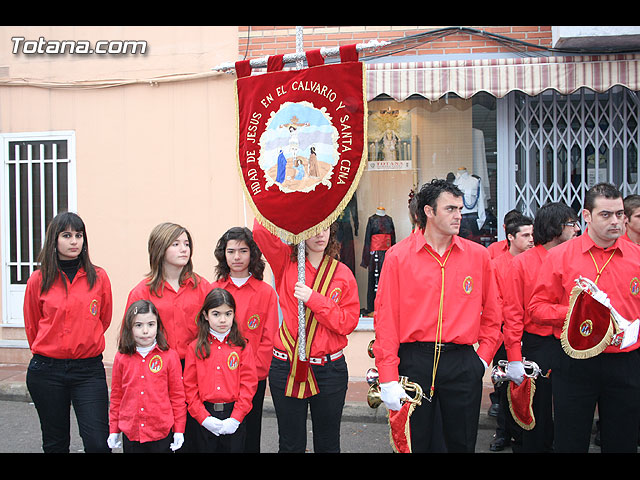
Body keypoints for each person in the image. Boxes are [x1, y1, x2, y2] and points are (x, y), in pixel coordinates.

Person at [373, 178, 503, 453]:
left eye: (459, 208)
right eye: (450, 209)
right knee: (417, 442)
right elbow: (386, 320)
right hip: (415, 361)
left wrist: (481, 360)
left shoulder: (478, 257)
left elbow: (493, 313)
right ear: (429, 212)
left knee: (462, 442)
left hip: (462, 362)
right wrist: (388, 376)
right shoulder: (398, 257)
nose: (458, 215)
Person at [528, 183, 640, 453]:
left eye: (620, 213)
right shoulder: (560, 256)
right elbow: (536, 308)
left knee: (623, 441)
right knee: (570, 440)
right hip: (575, 360)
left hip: (625, 360)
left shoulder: (636, 257)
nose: (616, 221)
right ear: (586, 216)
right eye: (606, 214)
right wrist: (580, 315)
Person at [253, 217, 360, 453]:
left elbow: (347, 323)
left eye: (324, 228)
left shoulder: (342, 274)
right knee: (290, 444)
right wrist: (291, 199)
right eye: (312, 228)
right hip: (287, 365)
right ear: (300, 233)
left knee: (328, 443)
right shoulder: (286, 263)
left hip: (329, 370)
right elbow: (261, 230)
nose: (319, 234)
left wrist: (314, 299)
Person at [23, 211, 112, 453]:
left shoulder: (99, 277)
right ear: (54, 239)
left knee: (98, 443)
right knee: (55, 443)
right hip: (47, 372)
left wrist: (82, 339)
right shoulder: (38, 279)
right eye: (67, 235)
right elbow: (32, 325)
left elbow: (103, 319)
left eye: (79, 235)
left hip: (88, 371)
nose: (74, 241)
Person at [124, 222, 211, 451]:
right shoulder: (141, 292)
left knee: (194, 436)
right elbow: (129, 339)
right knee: (163, 437)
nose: (184, 249)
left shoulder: (202, 286)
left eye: (187, 244)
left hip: (195, 370)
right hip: (157, 372)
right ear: (160, 248)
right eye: (176, 244)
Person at [501, 202, 579, 453]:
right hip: (538, 345)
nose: (577, 229)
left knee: (571, 410)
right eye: (571, 224)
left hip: (573, 343)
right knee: (536, 413)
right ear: (555, 227)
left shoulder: (577, 258)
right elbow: (512, 313)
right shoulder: (522, 263)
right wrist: (514, 358)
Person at [210, 227, 278, 453]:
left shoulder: (265, 292)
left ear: (253, 254)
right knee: (218, 435)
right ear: (223, 254)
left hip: (252, 378)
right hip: (218, 376)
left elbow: (269, 337)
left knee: (249, 433)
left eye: (243, 251)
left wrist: (254, 374)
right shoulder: (214, 290)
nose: (237, 257)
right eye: (231, 251)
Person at [182, 288, 258, 453]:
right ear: (205, 315)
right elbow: (189, 386)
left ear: (233, 315)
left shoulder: (242, 346)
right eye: (216, 314)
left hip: (234, 415)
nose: (222, 320)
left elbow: (249, 384)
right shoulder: (195, 348)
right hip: (204, 416)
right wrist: (203, 418)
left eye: (228, 314)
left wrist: (236, 419)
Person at [108, 300, 186, 453]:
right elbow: (117, 396)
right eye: (138, 325)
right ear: (129, 328)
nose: (145, 331)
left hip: (161, 432)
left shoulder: (170, 357)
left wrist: (179, 430)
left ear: (158, 326)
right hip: (132, 432)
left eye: (151, 325)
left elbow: (177, 396)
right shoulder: (121, 358)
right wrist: (114, 429)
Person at [488, 214, 534, 451]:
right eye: (525, 235)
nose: (530, 240)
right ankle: (504, 432)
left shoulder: (537, 261)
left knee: (533, 386)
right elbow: (495, 303)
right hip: (506, 334)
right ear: (510, 237)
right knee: (505, 387)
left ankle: (531, 433)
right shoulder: (497, 265)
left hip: (533, 334)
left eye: (532, 234)